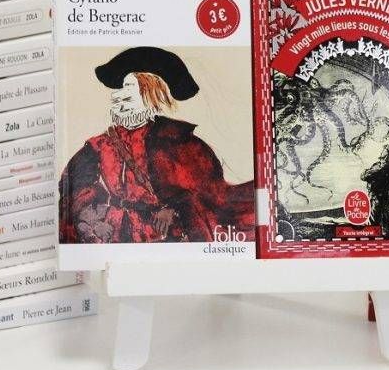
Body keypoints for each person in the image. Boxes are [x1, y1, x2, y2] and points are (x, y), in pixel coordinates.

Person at [59, 46, 254, 244]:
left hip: (165, 235)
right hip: (115, 232)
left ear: (152, 98)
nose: (120, 105)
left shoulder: (179, 141)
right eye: (118, 100)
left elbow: (208, 195)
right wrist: (95, 215)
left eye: (128, 98)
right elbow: (72, 182)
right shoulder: (101, 144)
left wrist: (174, 209)